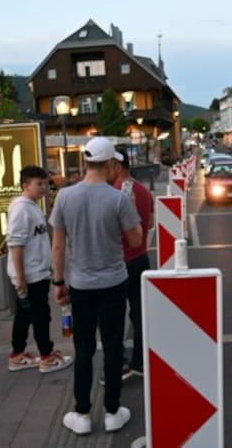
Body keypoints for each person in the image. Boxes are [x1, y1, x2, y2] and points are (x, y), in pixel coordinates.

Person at [50, 137, 142, 435]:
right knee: (113, 345)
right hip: (114, 281)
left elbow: (58, 246)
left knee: (83, 346)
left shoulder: (64, 197)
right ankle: (113, 411)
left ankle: (82, 413)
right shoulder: (118, 199)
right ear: (109, 164)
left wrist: (58, 281)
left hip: (80, 284)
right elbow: (136, 240)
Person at [6, 165, 72, 374]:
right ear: (26, 185)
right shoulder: (21, 208)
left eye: (45, 183)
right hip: (31, 273)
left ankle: (17, 354)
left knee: (25, 314)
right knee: (40, 314)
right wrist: (21, 277)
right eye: (39, 184)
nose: (43, 188)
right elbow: (15, 244)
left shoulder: (32, 205)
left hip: (37, 270)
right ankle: (47, 355)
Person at [112, 148, 153, 380]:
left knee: (114, 316)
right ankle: (139, 361)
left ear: (117, 167)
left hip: (118, 262)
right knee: (139, 312)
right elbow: (148, 226)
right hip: (140, 259)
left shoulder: (112, 193)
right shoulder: (144, 193)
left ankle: (118, 364)